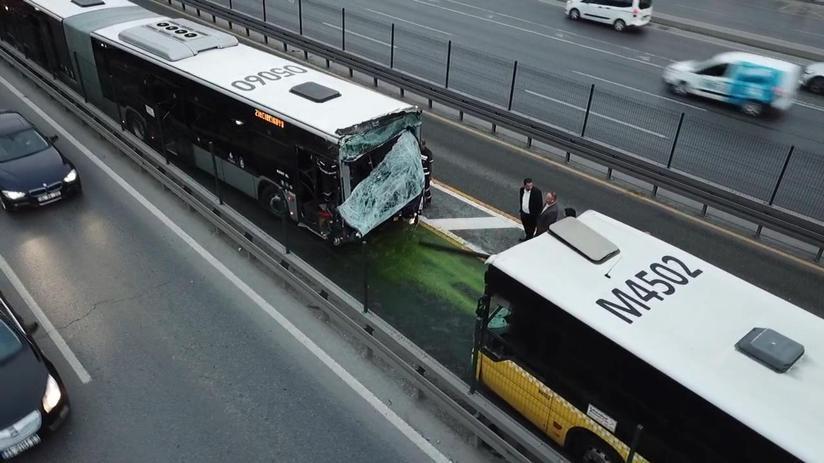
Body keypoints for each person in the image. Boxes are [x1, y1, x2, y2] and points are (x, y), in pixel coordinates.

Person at [420, 139, 433, 207]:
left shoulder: (428, 153)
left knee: (426, 187)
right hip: (419, 172)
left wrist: (430, 175)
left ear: (424, 145)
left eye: (421, 145)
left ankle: (428, 200)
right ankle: (421, 201)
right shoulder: (418, 150)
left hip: (426, 173)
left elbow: (430, 165)